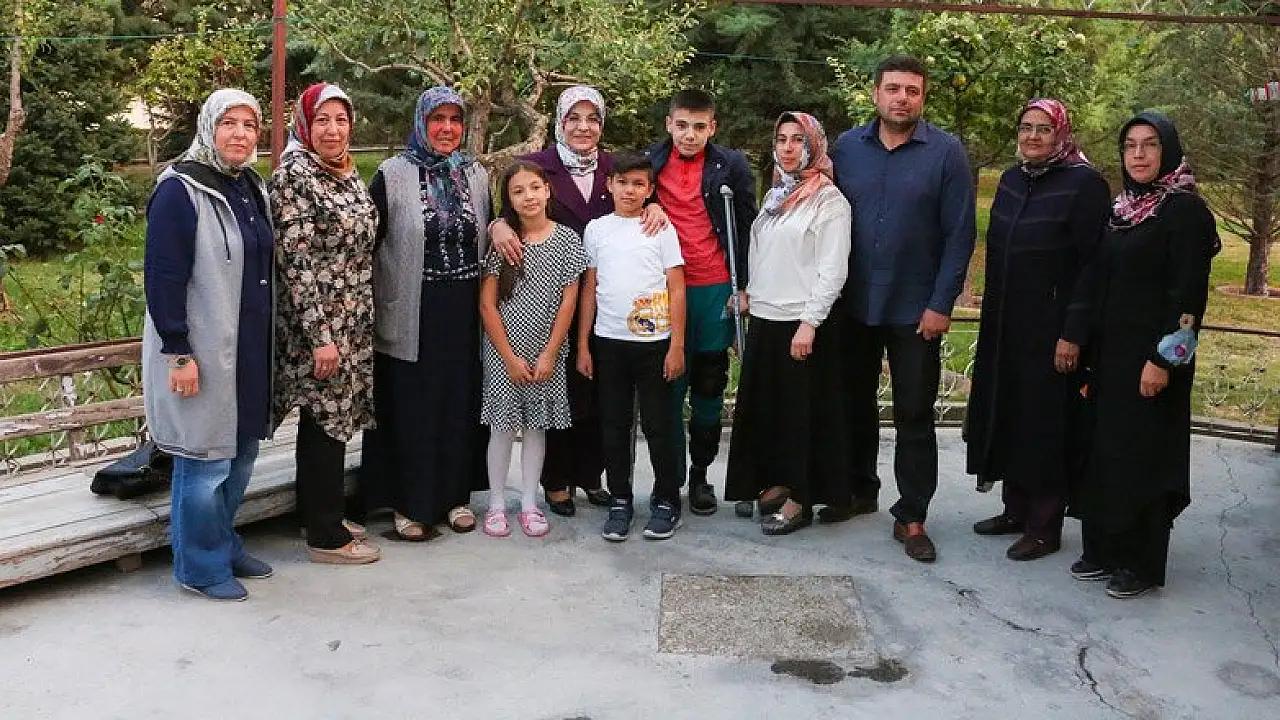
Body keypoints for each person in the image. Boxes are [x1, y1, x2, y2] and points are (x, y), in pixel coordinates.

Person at [488, 85, 667, 517]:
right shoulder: (540, 166)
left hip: (604, 300)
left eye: (592, 119)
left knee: (597, 395)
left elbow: (642, 198)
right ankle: (556, 482)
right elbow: (510, 207)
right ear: (560, 122)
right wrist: (497, 226)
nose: (583, 127)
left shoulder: (613, 167)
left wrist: (657, 208)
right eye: (574, 118)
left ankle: (591, 475)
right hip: (550, 299)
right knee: (559, 390)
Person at [829, 54, 977, 562]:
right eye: (893, 88)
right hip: (854, 302)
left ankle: (912, 514)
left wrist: (941, 303)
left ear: (923, 97)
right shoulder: (847, 148)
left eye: (912, 91)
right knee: (853, 403)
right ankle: (858, 489)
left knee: (914, 412)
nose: (901, 98)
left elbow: (960, 234)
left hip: (916, 308)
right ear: (876, 94)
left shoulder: (946, 154)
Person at [1073, 112, 1219, 599]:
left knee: (1144, 454)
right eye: (1130, 145)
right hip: (1110, 356)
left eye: (1150, 144)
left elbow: (1188, 297)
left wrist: (1164, 360)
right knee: (1106, 449)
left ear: (1168, 150)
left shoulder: (1184, 212)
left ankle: (1140, 562)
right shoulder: (1123, 209)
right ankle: (1104, 548)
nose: (1138, 154)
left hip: (1154, 359)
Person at [143, 89, 275, 601]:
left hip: (246, 347)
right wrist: (178, 351)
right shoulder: (179, 191)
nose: (240, 134)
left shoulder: (248, 186)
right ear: (208, 127)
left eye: (249, 124)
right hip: (199, 351)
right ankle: (198, 567)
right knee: (204, 462)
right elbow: (163, 278)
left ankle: (222, 542)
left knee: (240, 455)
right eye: (229, 123)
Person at [964, 99, 1111, 562]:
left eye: (1043, 129)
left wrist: (1074, 332)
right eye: (1026, 127)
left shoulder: (1084, 184)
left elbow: (1093, 266)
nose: (1032, 136)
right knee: (1010, 412)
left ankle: (1045, 526)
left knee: (1044, 424)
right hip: (1007, 323)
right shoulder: (1013, 179)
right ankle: (1016, 510)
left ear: (1061, 134)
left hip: (1052, 329)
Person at [362, 86, 491, 540]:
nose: (447, 128)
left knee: (458, 402)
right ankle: (410, 504)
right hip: (410, 309)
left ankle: (455, 497)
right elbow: (367, 245)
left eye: (455, 120)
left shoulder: (475, 174)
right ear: (421, 123)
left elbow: (490, 228)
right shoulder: (392, 174)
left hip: (463, 310)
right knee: (412, 406)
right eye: (438, 119)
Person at [724, 112, 851, 535]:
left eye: (799, 140)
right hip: (766, 317)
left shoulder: (829, 202)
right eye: (781, 139)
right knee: (770, 412)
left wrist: (810, 323)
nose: (788, 147)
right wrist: (749, 293)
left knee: (801, 416)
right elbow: (764, 253)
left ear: (814, 145)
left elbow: (832, 270)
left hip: (802, 323)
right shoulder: (777, 195)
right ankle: (777, 481)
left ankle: (801, 498)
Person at [271, 82, 380, 565]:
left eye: (341, 120)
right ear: (304, 125)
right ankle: (326, 537)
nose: (333, 130)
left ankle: (318, 513)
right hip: (318, 326)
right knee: (325, 420)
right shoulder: (294, 176)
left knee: (331, 421)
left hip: (351, 320)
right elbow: (295, 263)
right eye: (322, 120)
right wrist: (320, 338)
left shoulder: (345, 172)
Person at [643, 89, 757, 517]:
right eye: (682, 126)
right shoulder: (650, 163)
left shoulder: (732, 166)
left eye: (699, 127)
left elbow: (745, 226)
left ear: (713, 128)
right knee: (668, 386)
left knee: (709, 386)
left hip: (715, 287)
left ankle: (700, 474)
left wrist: (745, 286)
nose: (689, 135)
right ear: (668, 124)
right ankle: (668, 479)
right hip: (664, 287)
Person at [576, 153, 687, 541]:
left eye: (639, 184)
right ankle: (620, 499)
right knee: (614, 425)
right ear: (609, 185)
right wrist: (583, 345)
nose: (629, 190)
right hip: (609, 343)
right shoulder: (596, 230)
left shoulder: (660, 228)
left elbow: (676, 288)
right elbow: (589, 288)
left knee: (659, 426)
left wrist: (677, 345)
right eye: (622, 182)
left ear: (650, 190)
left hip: (654, 344)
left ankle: (667, 500)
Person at [478, 162, 586, 538]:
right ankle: (496, 504)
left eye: (535, 188)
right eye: (518, 191)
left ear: (547, 190)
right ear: (508, 199)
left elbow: (569, 302)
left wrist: (550, 353)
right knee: (502, 428)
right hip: (504, 352)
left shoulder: (567, 241)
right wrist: (508, 357)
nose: (529, 197)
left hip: (546, 351)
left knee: (537, 427)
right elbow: (487, 305)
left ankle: (529, 503)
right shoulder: (504, 243)